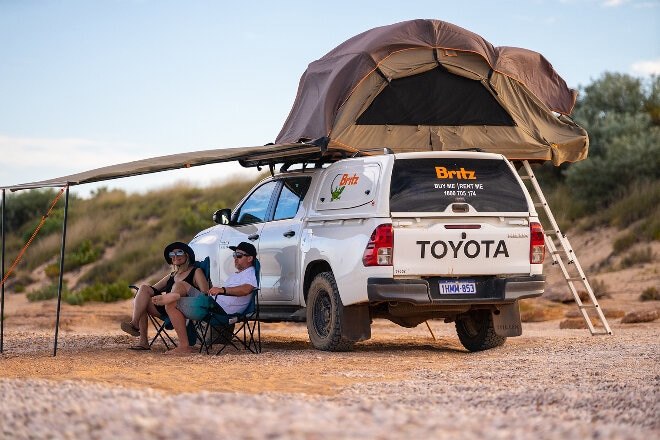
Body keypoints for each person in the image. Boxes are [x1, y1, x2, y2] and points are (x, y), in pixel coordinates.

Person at [165, 241, 258, 355]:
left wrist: (222, 290)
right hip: (211, 303)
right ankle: (171, 296)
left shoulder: (251, 272)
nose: (235, 258)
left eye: (239, 255)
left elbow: (245, 290)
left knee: (171, 305)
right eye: (234, 255)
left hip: (219, 311)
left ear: (250, 259)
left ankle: (184, 346)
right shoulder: (238, 274)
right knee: (181, 285)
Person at [120, 241, 209, 352]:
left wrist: (184, 291)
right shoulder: (172, 275)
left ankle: (137, 326)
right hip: (167, 307)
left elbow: (205, 292)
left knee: (176, 286)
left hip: (186, 308)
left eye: (179, 252)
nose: (175, 256)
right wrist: (142, 294)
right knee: (143, 291)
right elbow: (151, 289)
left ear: (187, 255)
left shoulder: (196, 271)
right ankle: (136, 328)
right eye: (172, 254)